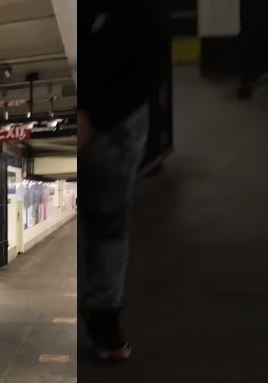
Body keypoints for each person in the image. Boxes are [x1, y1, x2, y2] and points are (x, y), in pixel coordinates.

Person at [81, 0, 170, 363]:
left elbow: (152, 68)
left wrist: (97, 118)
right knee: (95, 221)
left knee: (107, 219)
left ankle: (104, 315)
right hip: (80, 115)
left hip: (115, 126)